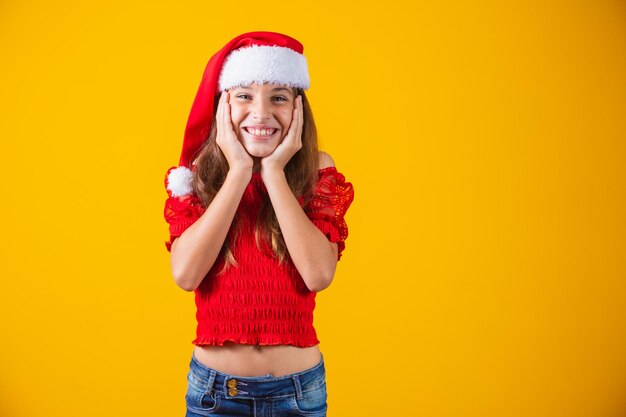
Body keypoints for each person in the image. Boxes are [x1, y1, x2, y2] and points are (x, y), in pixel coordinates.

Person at [163, 31, 354, 417]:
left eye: (279, 97)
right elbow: (185, 275)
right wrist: (237, 172)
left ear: (299, 109)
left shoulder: (318, 170)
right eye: (244, 96)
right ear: (222, 105)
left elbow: (318, 274)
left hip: (298, 394)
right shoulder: (197, 177)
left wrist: (274, 174)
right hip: (215, 394)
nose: (261, 112)